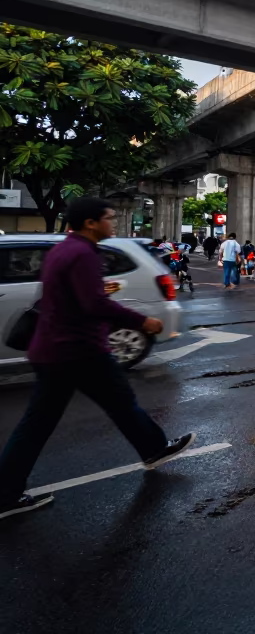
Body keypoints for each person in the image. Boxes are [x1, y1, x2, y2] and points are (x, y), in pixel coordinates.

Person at [0, 197, 195, 521]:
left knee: (55, 418)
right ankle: (5, 494)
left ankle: (153, 448)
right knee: (110, 404)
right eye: (109, 217)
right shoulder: (83, 254)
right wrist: (142, 321)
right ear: (90, 223)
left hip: (55, 349)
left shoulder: (63, 249)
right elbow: (95, 304)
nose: (114, 222)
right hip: (77, 351)